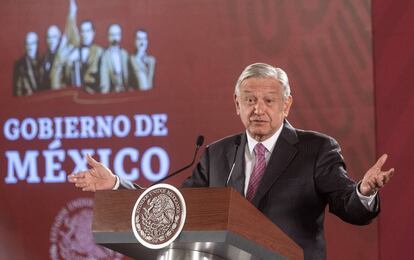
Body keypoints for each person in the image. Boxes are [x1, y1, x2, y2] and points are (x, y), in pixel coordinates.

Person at [68, 63, 394, 259]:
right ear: (236, 103)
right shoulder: (216, 154)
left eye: (269, 100)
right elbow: (173, 211)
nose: (258, 109)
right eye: (250, 100)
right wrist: (116, 184)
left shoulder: (316, 149)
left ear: (287, 105)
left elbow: (348, 204)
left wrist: (364, 190)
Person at [43, 0, 79, 91]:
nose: (51, 40)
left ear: (59, 38)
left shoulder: (64, 49)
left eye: (54, 37)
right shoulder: (44, 58)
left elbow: (70, 20)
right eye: (48, 37)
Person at [64, 20, 103, 93]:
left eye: (88, 31)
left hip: (95, 93)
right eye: (82, 31)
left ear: (93, 32)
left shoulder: (99, 51)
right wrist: (69, 62)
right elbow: (66, 77)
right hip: (76, 94)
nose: (85, 34)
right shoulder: (73, 52)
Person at [100, 24, 131, 93]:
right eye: (112, 35)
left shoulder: (125, 54)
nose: (114, 38)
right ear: (108, 37)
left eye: (117, 35)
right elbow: (104, 79)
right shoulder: (104, 56)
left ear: (120, 36)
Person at [13, 32, 42, 96]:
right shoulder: (19, 65)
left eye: (32, 44)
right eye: (27, 44)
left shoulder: (43, 60)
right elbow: (18, 90)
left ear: (37, 44)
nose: (29, 47)